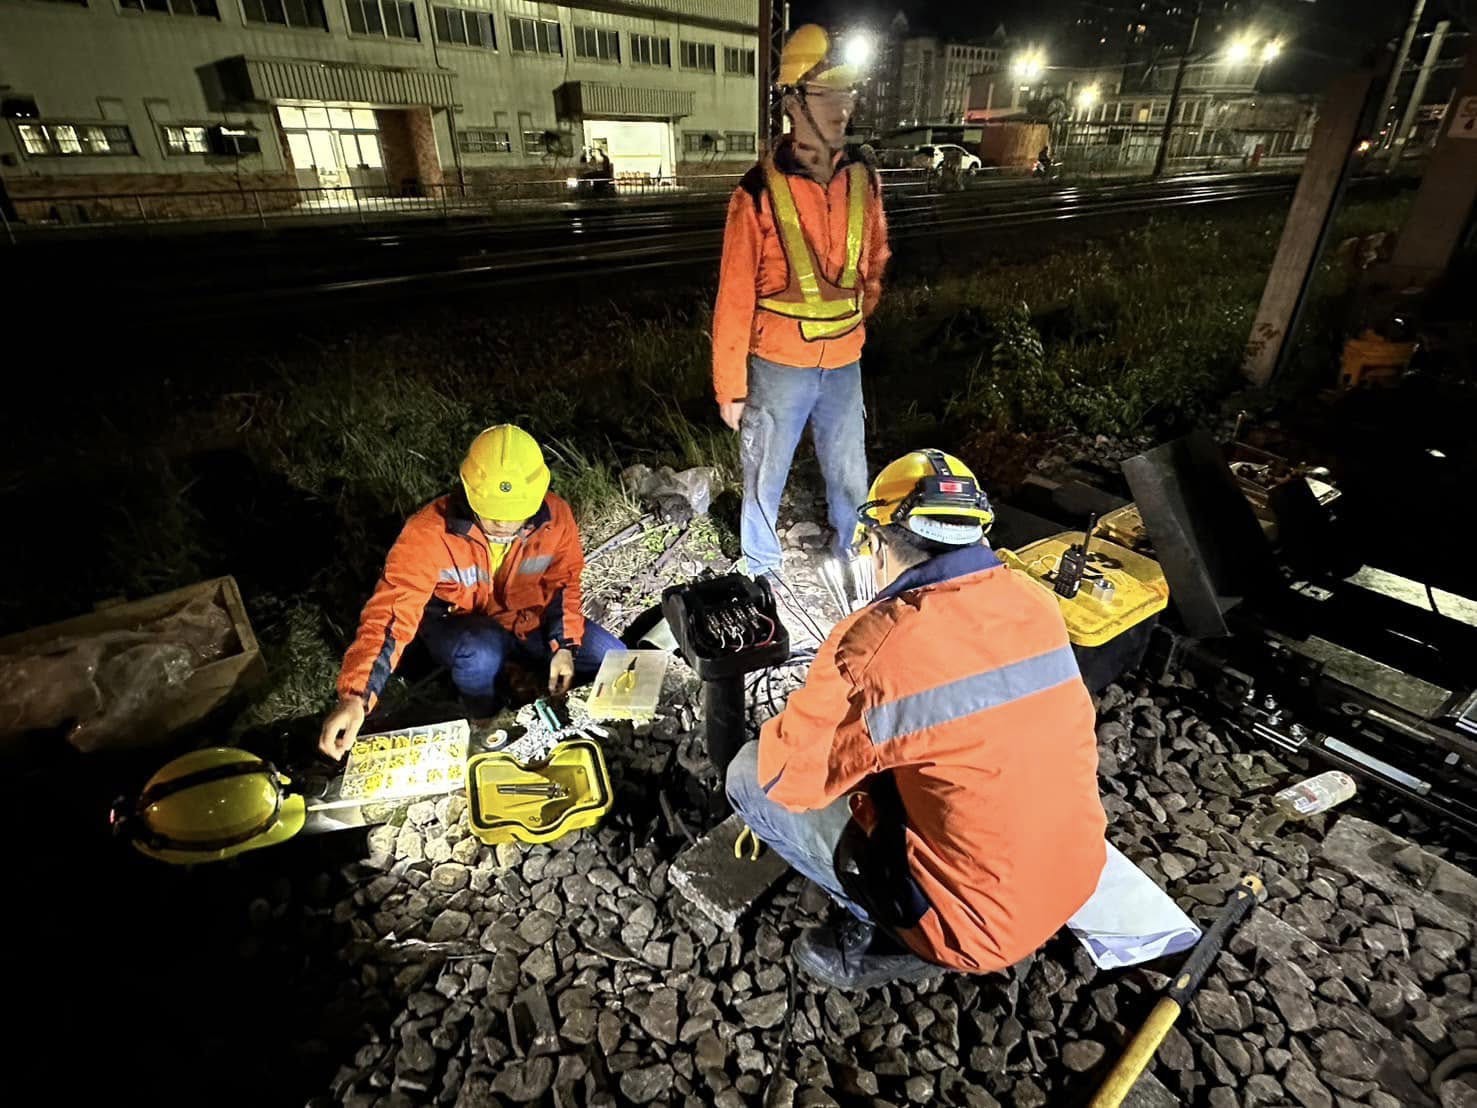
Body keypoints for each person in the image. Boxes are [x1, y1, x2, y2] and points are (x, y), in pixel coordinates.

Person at [726, 449, 1108, 989]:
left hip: (974, 930)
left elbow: (788, 780)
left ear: (879, 543)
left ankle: (887, 934)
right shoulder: (1035, 601)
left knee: (745, 774)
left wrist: (815, 707)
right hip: (1075, 876)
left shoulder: (874, 644)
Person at [318, 425, 621, 760]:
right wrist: (356, 697)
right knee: (479, 652)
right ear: (469, 489)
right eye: (493, 514)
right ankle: (487, 722)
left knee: (613, 656)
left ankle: (525, 678)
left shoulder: (556, 517)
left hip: (526, 621)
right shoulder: (428, 532)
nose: (504, 525)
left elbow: (564, 582)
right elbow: (391, 613)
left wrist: (564, 645)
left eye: (516, 515)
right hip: (460, 627)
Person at [711, 24, 891, 584]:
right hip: (778, 366)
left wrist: (851, 328)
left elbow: (876, 264)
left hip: (843, 363)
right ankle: (761, 568)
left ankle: (855, 552)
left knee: (849, 470)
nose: (844, 106)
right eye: (828, 94)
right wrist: (730, 387)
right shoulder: (757, 191)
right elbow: (735, 294)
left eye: (848, 94)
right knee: (765, 470)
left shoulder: (863, 177)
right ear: (793, 103)